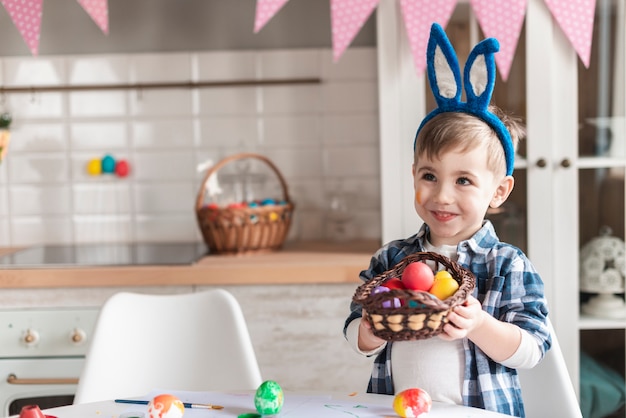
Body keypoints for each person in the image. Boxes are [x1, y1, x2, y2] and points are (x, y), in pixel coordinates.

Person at [343, 23, 551, 417]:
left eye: (464, 180)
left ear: (499, 192)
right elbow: (354, 332)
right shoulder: (392, 259)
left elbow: (534, 348)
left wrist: (480, 325)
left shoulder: (506, 264)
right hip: (396, 410)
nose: (441, 195)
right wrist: (369, 331)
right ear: (413, 175)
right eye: (429, 176)